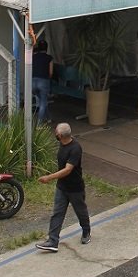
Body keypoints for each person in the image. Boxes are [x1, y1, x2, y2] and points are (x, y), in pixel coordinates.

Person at [36, 122, 91, 252]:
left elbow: (67, 170)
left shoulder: (75, 148)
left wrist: (49, 177)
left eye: (56, 132)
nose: (54, 133)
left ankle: (86, 231)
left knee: (80, 211)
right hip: (62, 187)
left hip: (75, 188)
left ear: (60, 135)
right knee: (57, 213)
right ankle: (53, 241)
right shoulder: (62, 144)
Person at [31, 40, 54, 123]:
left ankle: (49, 118)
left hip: (33, 82)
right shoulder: (49, 58)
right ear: (46, 48)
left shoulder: (33, 57)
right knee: (43, 102)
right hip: (43, 81)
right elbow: (51, 72)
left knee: (42, 100)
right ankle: (39, 124)